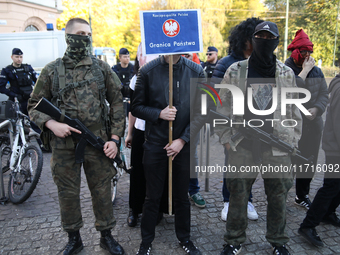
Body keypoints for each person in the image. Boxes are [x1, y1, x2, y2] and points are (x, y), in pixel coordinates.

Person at [27, 18, 125, 255]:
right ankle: (74, 238)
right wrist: (51, 124)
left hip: (97, 142)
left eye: (89, 33)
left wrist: (114, 139)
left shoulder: (101, 68)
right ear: (69, 37)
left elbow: (117, 102)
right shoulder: (52, 70)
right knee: (67, 192)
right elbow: (33, 105)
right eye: (81, 33)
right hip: (63, 145)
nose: (86, 38)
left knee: (102, 190)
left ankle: (106, 236)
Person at [215, 21, 302, 255]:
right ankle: (234, 240)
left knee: (278, 196)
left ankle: (278, 242)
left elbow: (295, 111)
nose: (264, 41)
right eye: (259, 37)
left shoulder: (286, 73)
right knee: (238, 195)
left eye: (269, 37)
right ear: (253, 40)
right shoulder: (235, 70)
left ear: (275, 42)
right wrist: (225, 138)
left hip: (277, 146)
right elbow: (221, 106)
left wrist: (292, 142)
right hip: (242, 144)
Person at [131, 54, 205, 255]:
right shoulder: (146, 71)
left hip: (183, 145)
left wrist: (182, 140)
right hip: (155, 144)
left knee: (182, 196)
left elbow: (204, 110)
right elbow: (135, 106)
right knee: (152, 196)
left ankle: (185, 238)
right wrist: (158, 114)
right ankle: (146, 242)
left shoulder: (197, 71)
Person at [212, 17, 263, 222]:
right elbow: (214, 100)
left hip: (256, 126)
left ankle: (247, 199)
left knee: (252, 164)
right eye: (257, 37)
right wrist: (223, 133)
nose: (261, 41)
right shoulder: (226, 64)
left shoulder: (263, 61)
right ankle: (228, 201)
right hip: (233, 127)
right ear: (245, 39)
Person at [285, 29, 328, 209]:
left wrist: (317, 109)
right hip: (291, 126)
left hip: (312, 126)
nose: (307, 56)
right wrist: (304, 71)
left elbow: (324, 94)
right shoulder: (285, 69)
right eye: (304, 52)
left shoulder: (317, 72)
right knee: (288, 163)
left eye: (309, 52)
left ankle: (301, 195)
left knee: (308, 162)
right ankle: (280, 195)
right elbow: (290, 90)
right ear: (296, 51)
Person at [298, 71, 340, 247]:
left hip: (335, 146)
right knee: (331, 186)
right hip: (336, 148)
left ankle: (328, 212)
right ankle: (308, 225)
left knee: (336, 184)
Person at [125, 45, 162, 227]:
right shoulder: (135, 80)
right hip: (141, 130)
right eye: (142, 54)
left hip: (160, 131)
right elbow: (132, 109)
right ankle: (134, 209)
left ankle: (157, 209)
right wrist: (130, 133)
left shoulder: (164, 77)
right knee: (138, 170)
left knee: (157, 172)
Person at [0, 48, 40, 136]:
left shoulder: (28, 68)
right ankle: (20, 146)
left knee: (36, 123)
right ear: (12, 57)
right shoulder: (7, 70)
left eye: (21, 57)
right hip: (17, 101)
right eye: (17, 57)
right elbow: (1, 88)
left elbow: (38, 82)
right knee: (18, 126)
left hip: (30, 100)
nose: (19, 59)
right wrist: (13, 95)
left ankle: (42, 146)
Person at [112, 48, 134, 117]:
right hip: (119, 96)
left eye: (128, 57)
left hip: (131, 96)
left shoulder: (133, 68)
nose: (127, 58)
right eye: (125, 57)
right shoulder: (114, 69)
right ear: (120, 58)